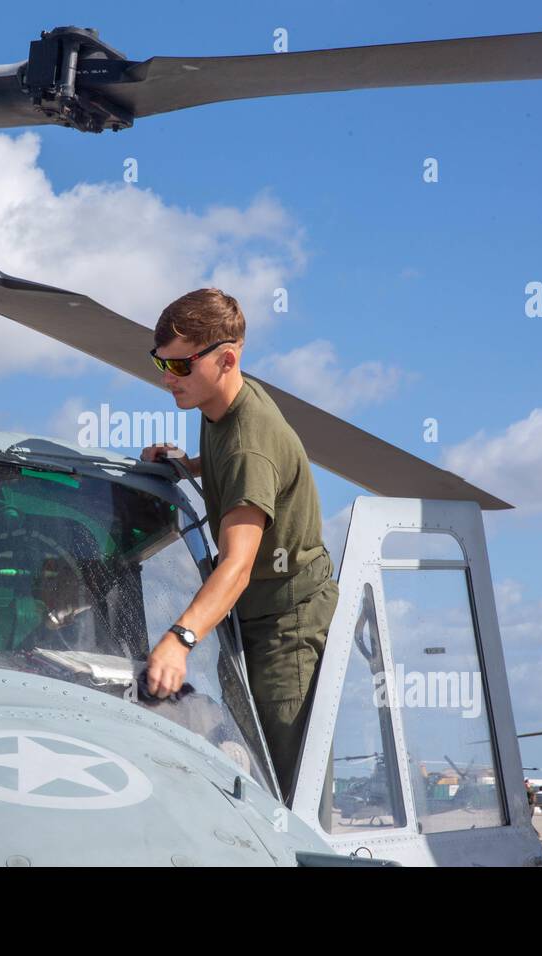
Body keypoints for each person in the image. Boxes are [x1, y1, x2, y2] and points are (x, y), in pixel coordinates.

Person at [139, 288, 339, 804]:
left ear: (227, 359)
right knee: (246, 755)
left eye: (180, 366)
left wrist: (178, 640)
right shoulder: (219, 407)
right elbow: (233, 461)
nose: (166, 377)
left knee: (287, 784)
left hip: (286, 623)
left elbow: (238, 564)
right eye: (161, 361)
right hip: (249, 615)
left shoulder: (251, 441)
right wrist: (191, 464)